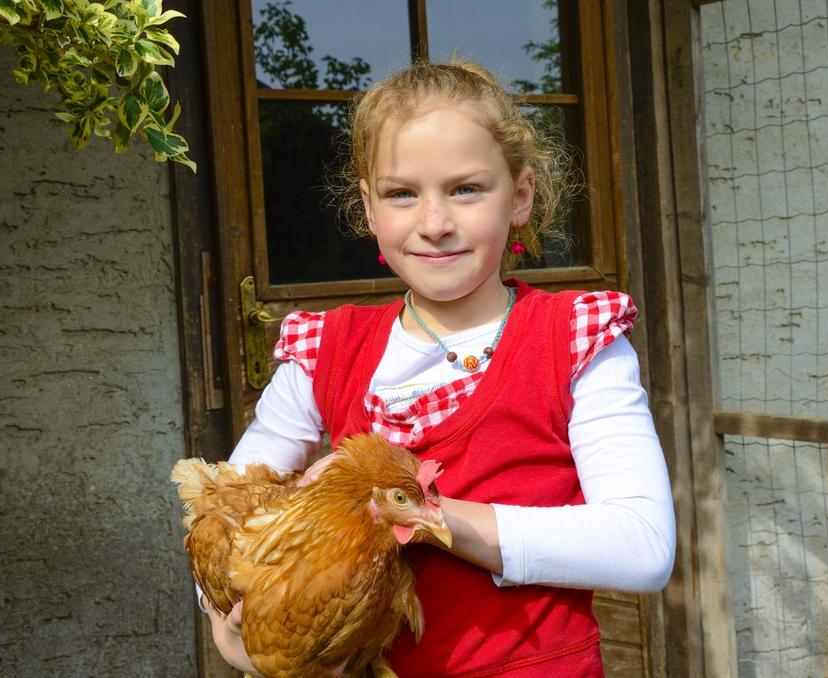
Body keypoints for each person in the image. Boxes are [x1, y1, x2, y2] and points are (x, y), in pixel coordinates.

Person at [204, 60, 675, 677]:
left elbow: (641, 546)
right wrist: (228, 623)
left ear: (521, 196)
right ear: (369, 209)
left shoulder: (575, 340)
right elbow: (219, 517)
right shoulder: (327, 348)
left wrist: (426, 516)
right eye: (402, 193)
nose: (434, 223)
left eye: (466, 189)